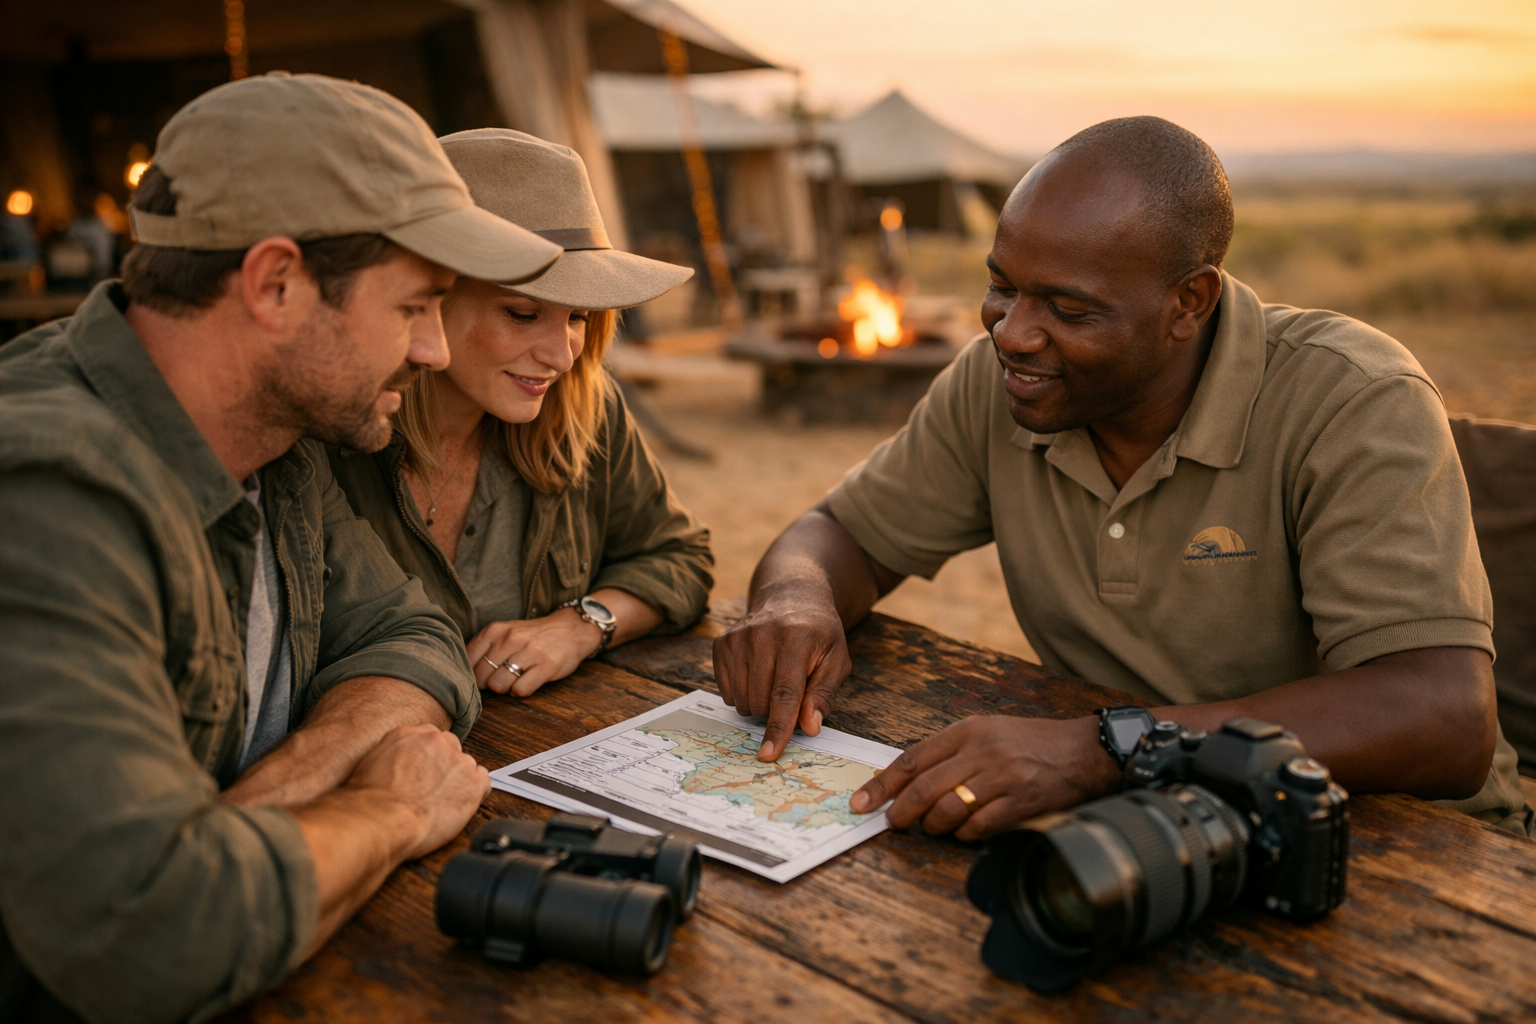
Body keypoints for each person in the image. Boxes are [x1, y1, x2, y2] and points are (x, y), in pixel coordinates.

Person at [713, 116, 1529, 840]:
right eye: (1001, 286)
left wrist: (1103, 749)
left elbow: (1444, 718)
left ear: (1189, 304)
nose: (1013, 332)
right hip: (1148, 820)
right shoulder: (1000, 385)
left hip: (1404, 844)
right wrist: (796, 600)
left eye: (1068, 310)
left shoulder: (1352, 397)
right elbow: (840, 534)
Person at [0, 74, 565, 1023]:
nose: (432, 351)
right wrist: (390, 810)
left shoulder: (279, 438)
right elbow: (151, 938)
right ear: (275, 285)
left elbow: (413, 634)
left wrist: (275, 795)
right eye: (414, 306)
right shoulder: (46, 493)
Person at [329, 129, 713, 696]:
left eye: (579, 317)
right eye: (523, 314)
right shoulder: (330, 438)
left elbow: (679, 555)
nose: (562, 357)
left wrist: (583, 624)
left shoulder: (583, 408)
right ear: (429, 297)